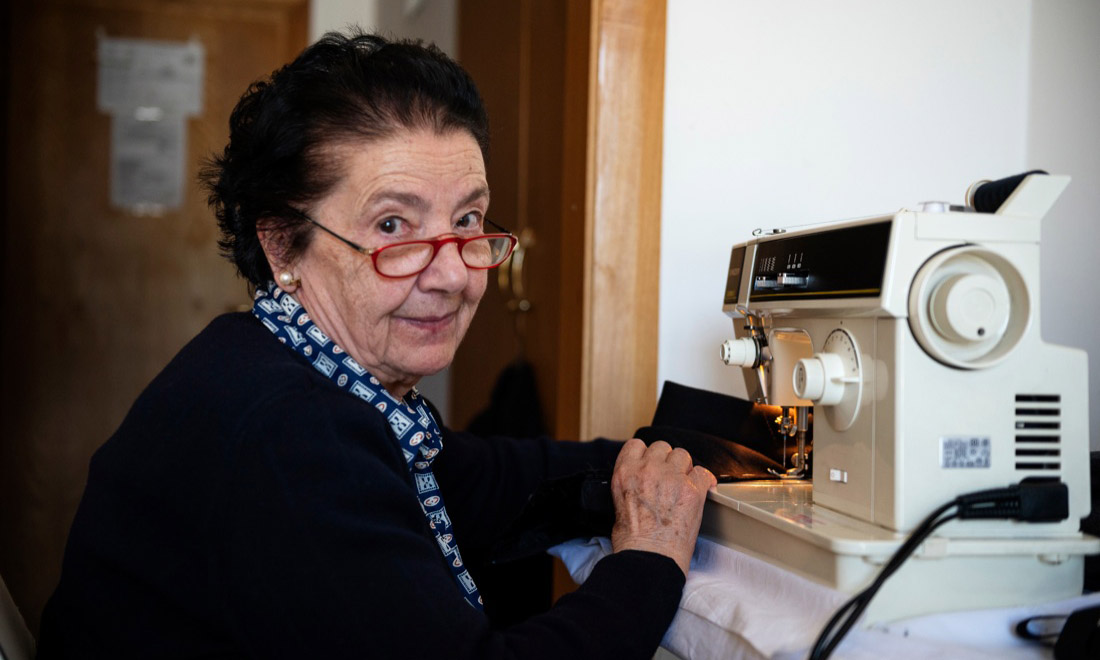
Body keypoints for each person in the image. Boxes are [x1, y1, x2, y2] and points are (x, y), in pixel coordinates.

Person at [37, 30, 715, 659]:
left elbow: (490, 478)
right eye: (394, 224)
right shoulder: (288, 435)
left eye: (468, 219)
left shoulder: (283, 362)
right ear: (282, 245)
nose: (453, 274)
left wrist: (697, 458)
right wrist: (647, 562)